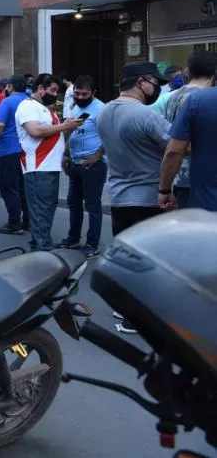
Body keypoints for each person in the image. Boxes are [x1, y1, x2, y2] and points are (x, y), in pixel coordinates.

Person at [96, 61, 170, 335]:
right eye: (156, 83)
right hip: (150, 197)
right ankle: (137, 318)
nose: (158, 89)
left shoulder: (104, 112)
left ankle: (125, 307)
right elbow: (176, 146)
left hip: (119, 196)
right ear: (141, 82)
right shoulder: (146, 115)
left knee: (128, 258)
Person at [15, 74, 80, 251]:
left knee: (47, 209)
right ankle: (43, 249)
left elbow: (54, 134)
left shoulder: (45, 109)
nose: (55, 94)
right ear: (40, 88)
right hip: (38, 167)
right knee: (40, 210)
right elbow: (35, 131)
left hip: (49, 166)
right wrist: (64, 126)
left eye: (57, 91)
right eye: (52, 90)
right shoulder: (28, 106)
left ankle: (40, 244)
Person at [159, 50, 217, 209]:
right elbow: (179, 147)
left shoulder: (175, 95)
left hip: (180, 177)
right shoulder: (201, 98)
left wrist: (165, 186)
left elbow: (172, 143)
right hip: (196, 180)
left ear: (188, 71)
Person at [61, 75, 107, 257]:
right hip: (75, 163)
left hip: (93, 167)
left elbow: (110, 136)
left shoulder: (101, 109)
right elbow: (73, 134)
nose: (80, 97)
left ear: (93, 93)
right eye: (76, 93)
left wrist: (97, 155)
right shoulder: (74, 107)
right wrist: (65, 154)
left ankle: (92, 244)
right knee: (73, 202)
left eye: (84, 94)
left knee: (93, 206)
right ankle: (73, 239)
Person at [0, 76, 31, 235]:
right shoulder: (30, 101)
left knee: (9, 188)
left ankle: (14, 223)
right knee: (23, 188)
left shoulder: (8, 102)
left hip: (8, 151)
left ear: (10, 87)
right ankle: (28, 221)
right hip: (26, 152)